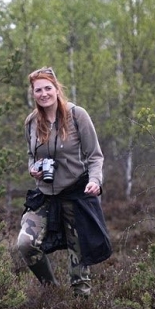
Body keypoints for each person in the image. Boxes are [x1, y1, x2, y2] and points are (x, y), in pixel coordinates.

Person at [17, 67, 112, 297]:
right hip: (45, 196)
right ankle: (51, 291)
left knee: (79, 263)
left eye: (48, 88)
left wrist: (95, 180)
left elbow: (95, 156)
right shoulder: (31, 122)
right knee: (25, 244)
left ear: (57, 89)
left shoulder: (77, 116)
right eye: (38, 90)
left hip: (76, 194)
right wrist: (33, 168)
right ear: (33, 93)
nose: (43, 94)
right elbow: (31, 155)